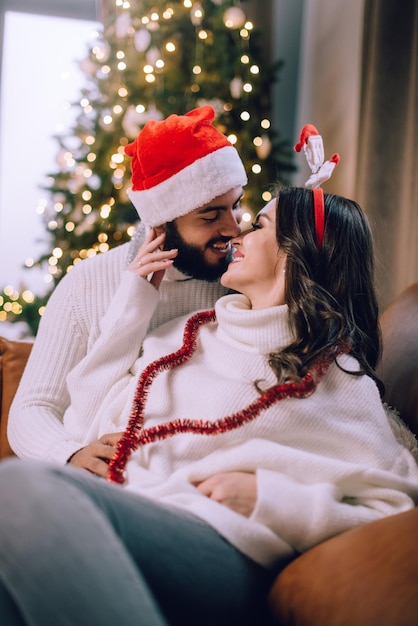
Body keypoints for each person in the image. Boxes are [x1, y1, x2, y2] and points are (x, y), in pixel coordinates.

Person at [1, 180, 418, 626]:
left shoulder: (335, 376)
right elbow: (84, 421)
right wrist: (133, 302)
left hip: (223, 544)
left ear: (295, 252)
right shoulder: (186, 334)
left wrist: (270, 499)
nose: (237, 232)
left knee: (20, 489)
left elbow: (391, 507)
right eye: (212, 215)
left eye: (256, 222)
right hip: (129, 511)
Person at [7, 105, 247, 467]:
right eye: (211, 216)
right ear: (162, 225)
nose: (232, 230)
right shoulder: (87, 283)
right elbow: (31, 409)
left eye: (235, 207)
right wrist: (69, 454)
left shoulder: (239, 281)